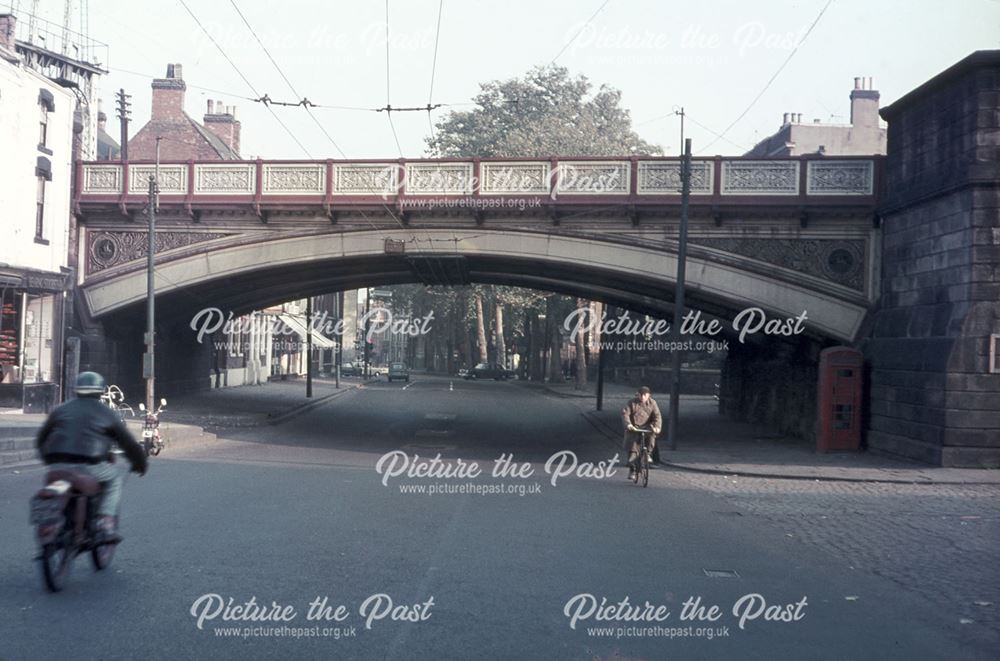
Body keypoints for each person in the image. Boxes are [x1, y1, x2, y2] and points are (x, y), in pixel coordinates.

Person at [35, 372, 148, 542]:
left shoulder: (61, 410)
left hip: (56, 466)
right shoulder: (107, 413)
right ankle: (105, 522)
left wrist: (49, 462)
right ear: (101, 391)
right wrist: (140, 463)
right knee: (114, 480)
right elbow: (129, 444)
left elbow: (42, 438)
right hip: (89, 467)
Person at [621, 386, 662, 478]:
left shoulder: (653, 403)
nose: (643, 397)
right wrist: (628, 425)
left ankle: (648, 454)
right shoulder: (631, 403)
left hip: (647, 427)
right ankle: (633, 470)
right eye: (641, 395)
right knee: (633, 449)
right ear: (638, 395)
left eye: (645, 395)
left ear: (649, 395)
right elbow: (625, 414)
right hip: (634, 428)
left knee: (651, 437)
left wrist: (657, 427)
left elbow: (657, 416)